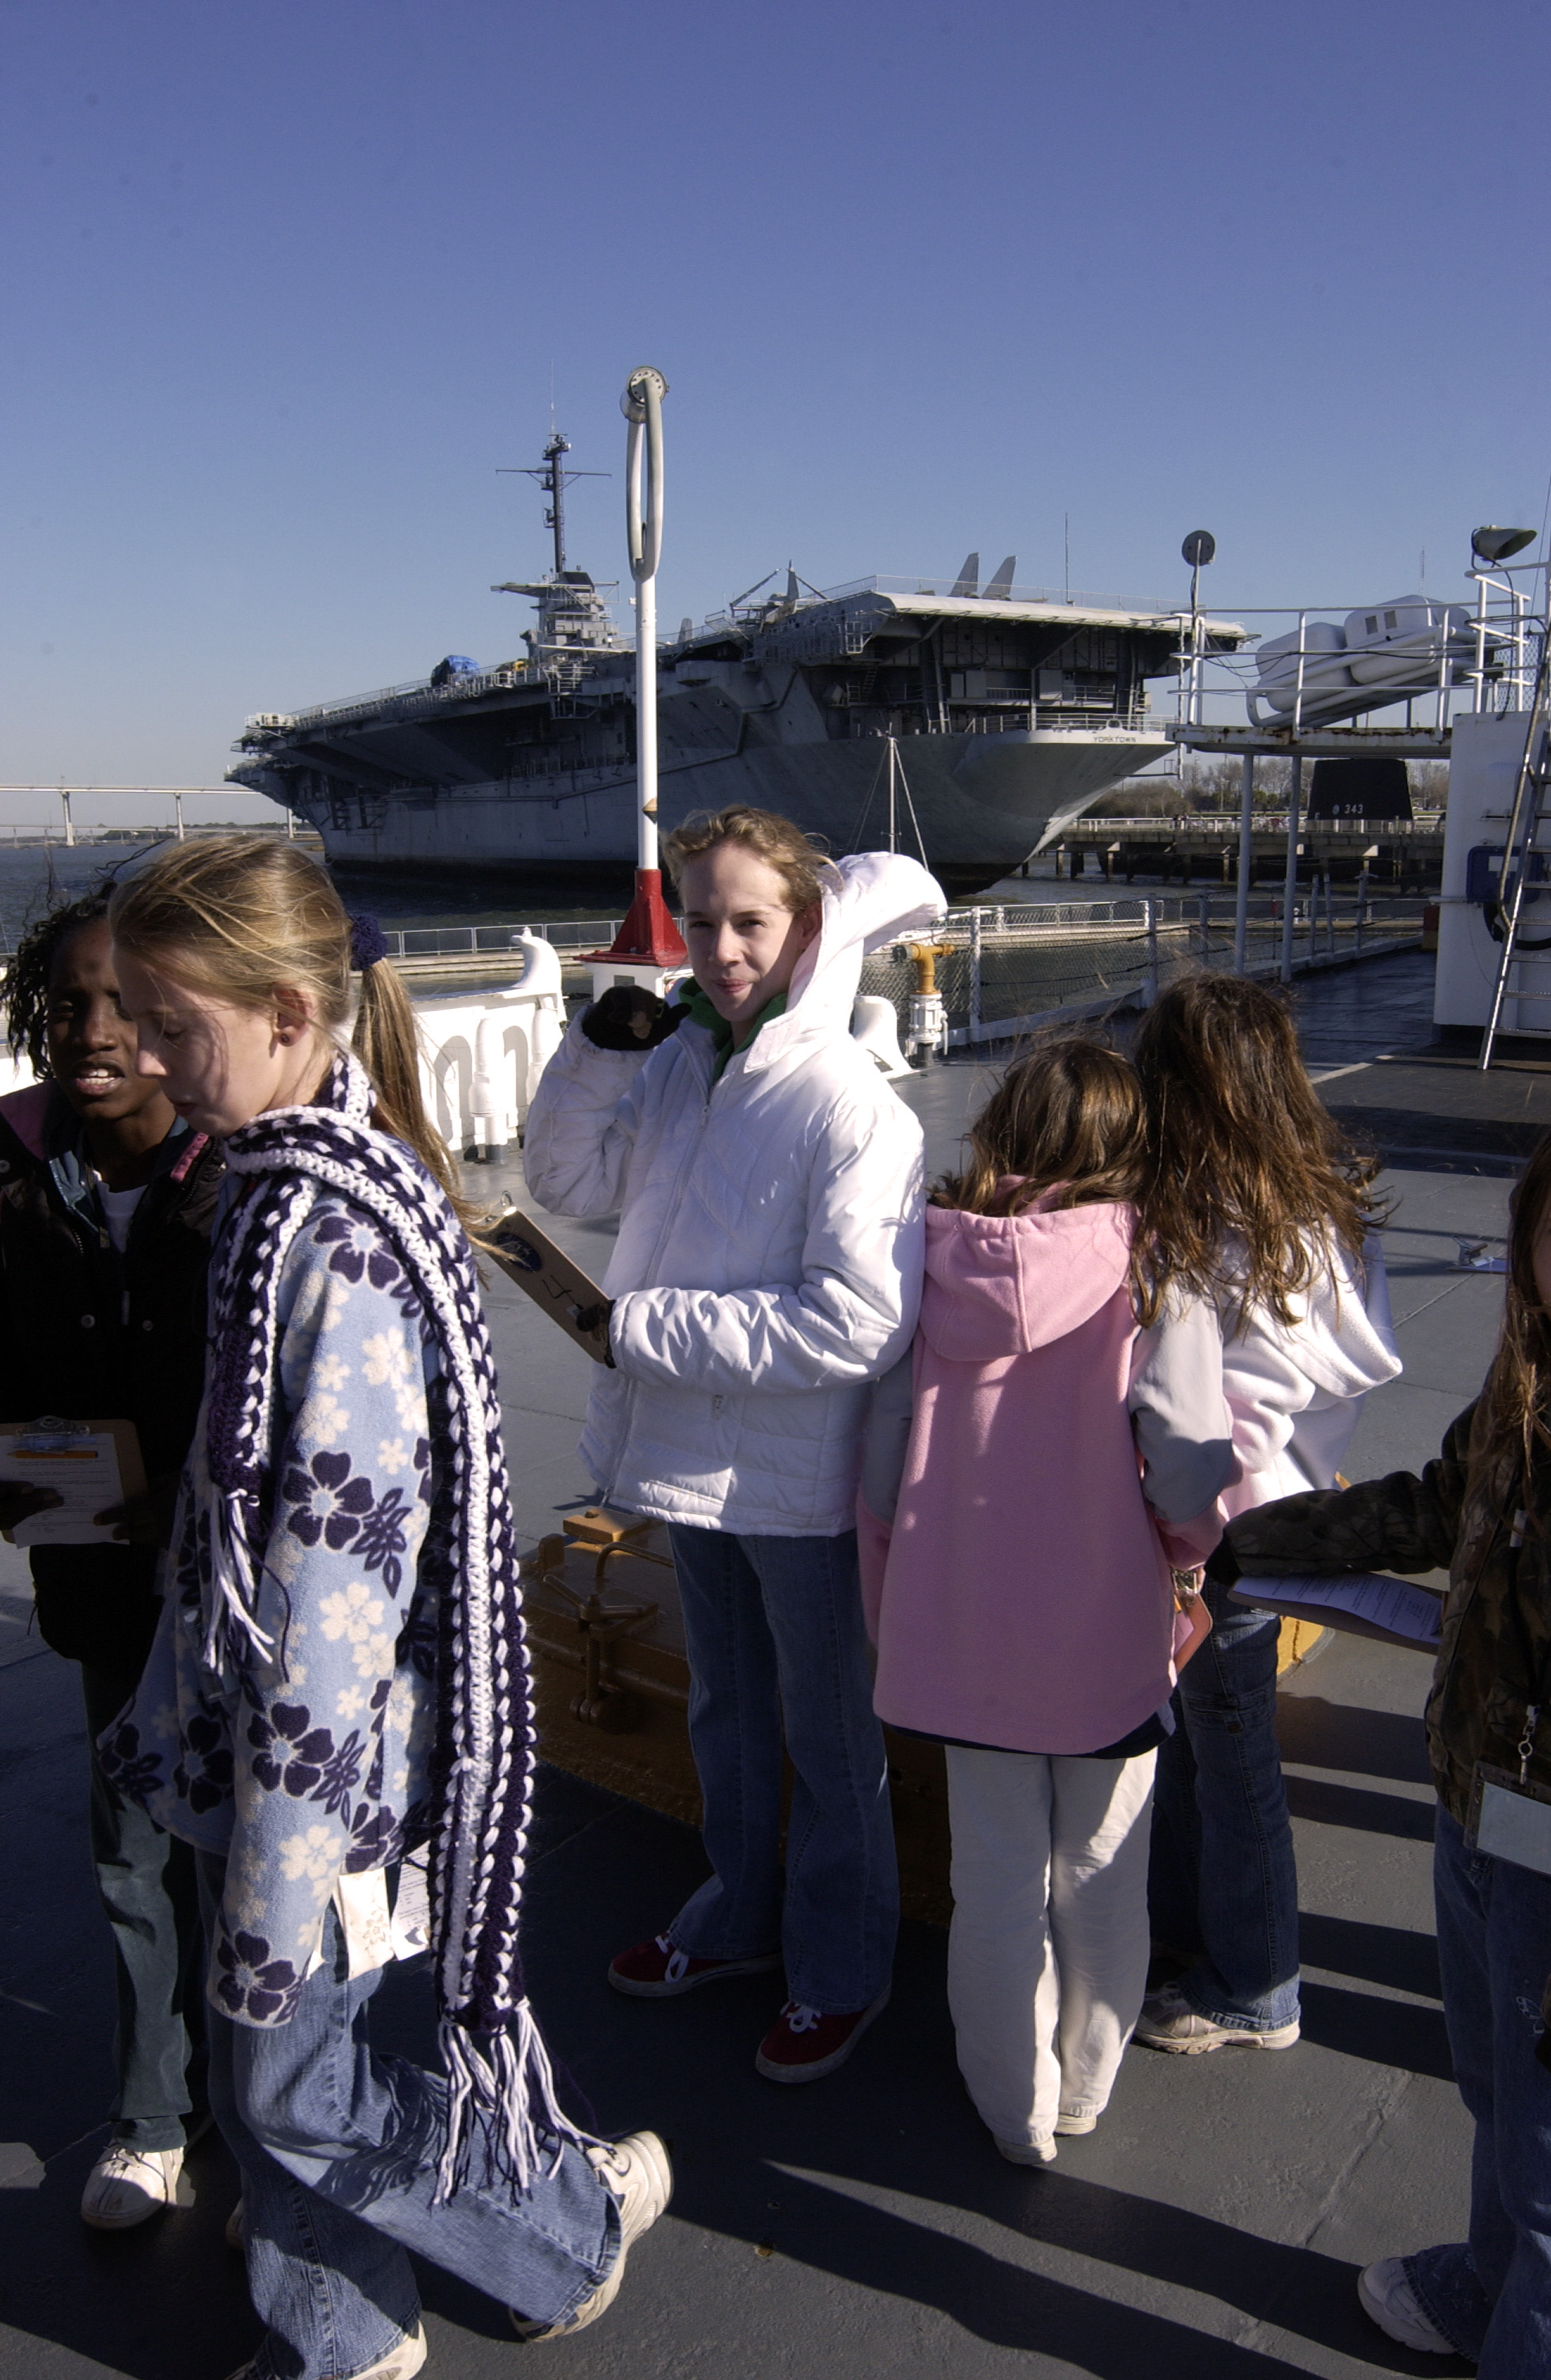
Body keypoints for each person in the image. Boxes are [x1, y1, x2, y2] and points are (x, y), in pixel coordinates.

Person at [97, 837, 669, 2380]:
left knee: (288, 2077)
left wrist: (283, 1833)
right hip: (277, 1733)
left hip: (324, 1761)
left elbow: (330, 1578)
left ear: (289, 1012)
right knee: (277, 2054)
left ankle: (557, 2221)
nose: (141, 1056)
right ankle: (340, 2324)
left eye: (168, 1023)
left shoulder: (324, 1239)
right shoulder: (289, 1186)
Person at [524, 805, 942, 2082]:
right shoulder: (678, 1066)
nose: (720, 948)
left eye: (749, 920)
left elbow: (859, 1322)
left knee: (826, 1736)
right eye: (700, 921)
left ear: (807, 925)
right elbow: (568, 1182)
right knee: (727, 1709)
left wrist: (643, 1330)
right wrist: (595, 1051)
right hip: (681, 1460)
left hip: (793, 1482)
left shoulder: (852, 1109)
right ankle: (735, 1916)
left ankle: (838, 1963)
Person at [1210, 1127, 1551, 2378]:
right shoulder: (1525, 1390)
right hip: (1480, 1808)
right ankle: (1483, 2286)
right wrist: (1278, 1538)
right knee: (1492, 2089)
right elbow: (1430, 1501)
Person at [857, 1037, 1236, 2162]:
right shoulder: (1155, 1269)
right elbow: (1183, 1463)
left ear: (1007, 1127)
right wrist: (1192, 1551)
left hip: (964, 1636)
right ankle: (1083, 2086)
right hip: (1108, 1633)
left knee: (995, 1886)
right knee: (1102, 1874)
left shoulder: (924, 1260)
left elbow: (882, 1465)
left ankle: (1010, 2105)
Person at [0, 885, 222, 2228]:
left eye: (126, 1002)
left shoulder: (242, 1162)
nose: (92, 1028)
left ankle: (269, 2118)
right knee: (130, 1848)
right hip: (94, 1571)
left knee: (251, 1857)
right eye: (69, 1000)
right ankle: (154, 2115)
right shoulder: (9, 1170)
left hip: (239, 1584)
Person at [1130, 975, 1400, 2054]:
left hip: (1217, 1542)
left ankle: (1259, 1984)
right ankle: (1201, 1939)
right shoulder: (1316, 1212)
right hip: (1284, 1519)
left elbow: (1220, 1408)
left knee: (1231, 1760)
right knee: (1206, 1745)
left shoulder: (1213, 1231)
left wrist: (1180, 1541)